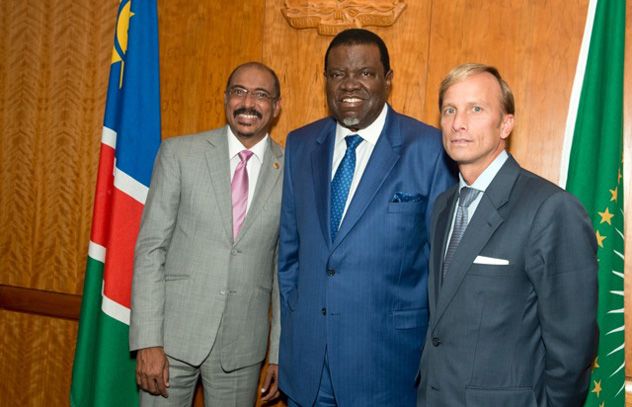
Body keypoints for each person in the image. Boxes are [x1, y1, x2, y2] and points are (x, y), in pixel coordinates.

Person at [278, 29, 455, 406]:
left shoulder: (429, 149)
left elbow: (443, 270)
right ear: (325, 80)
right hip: (308, 369)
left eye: (365, 73)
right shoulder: (301, 144)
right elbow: (290, 254)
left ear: (388, 80)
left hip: (388, 370)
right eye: (338, 74)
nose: (349, 84)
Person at [417, 63, 598, 406]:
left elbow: (573, 348)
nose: (458, 122)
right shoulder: (443, 206)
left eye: (476, 109)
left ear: (506, 124)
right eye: (449, 110)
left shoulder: (550, 208)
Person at [129, 62, 283, 406]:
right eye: (239, 91)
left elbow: (284, 269)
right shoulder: (180, 154)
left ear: (276, 106)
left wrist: (278, 351)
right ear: (225, 98)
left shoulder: (291, 170)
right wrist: (148, 340)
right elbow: (151, 249)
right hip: (170, 341)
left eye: (261, 95)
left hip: (242, 349)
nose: (248, 103)